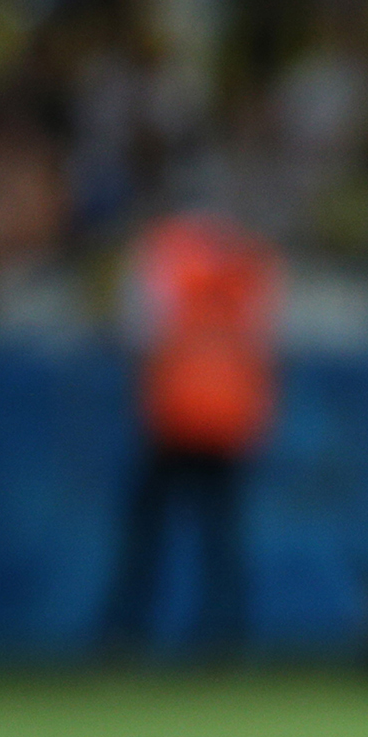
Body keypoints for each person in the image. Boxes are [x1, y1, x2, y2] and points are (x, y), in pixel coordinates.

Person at [104, 213, 281, 656]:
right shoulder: (250, 269)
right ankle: (224, 641)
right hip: (229, 422)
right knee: (221, 541)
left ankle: (126, 638)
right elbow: (269, 344)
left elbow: (138, 335)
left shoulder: (165, 261)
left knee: (150, 538)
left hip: (174, 418)